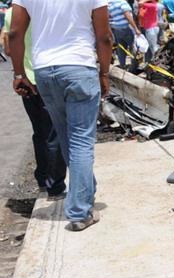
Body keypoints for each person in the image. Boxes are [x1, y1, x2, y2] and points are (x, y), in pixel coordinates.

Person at [9, 0, 113, 231]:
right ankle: (80, 212)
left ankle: (85, 189)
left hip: (45, 70)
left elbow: (15, 33)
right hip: (79, 67)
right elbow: (104, 36)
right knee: (81, 140)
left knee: (66, 136)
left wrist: (18, 73)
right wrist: (105, 72)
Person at [3, 6, 66, 199]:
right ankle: (54, 186)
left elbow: (7, 47)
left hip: (26, 78)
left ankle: (42, 178)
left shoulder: (12, 12)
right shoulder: (51, 7)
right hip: (50, 75)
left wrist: (19, 73)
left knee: (40, 131)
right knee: (55, 133)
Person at [108, 0, 142, 70]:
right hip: (126, 28)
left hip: (116, 29)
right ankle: (134, 68)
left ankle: (122, 66)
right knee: (133, 48)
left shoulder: (108, 4)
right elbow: (127, 15)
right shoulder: (122, 2)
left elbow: (108, 17)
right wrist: (136, 28)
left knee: (121, 48)